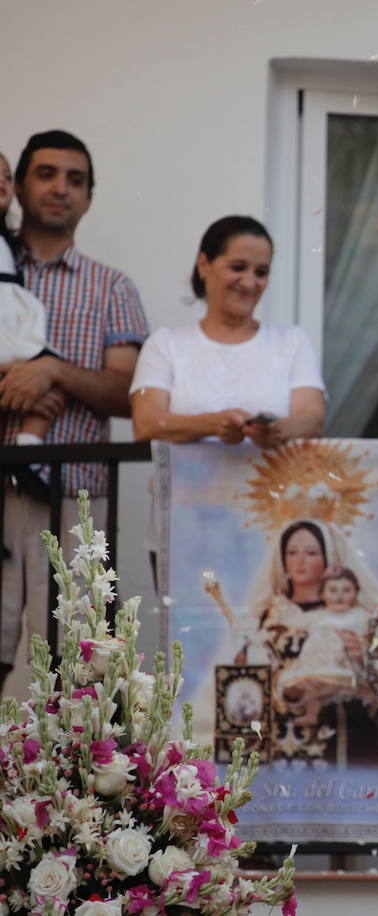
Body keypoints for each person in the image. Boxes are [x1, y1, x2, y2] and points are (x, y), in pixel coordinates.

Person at [0, 130, 149, 699]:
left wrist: (55, 371)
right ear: (18, 186)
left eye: (75, 178)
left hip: (77, 497)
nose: (60, 188)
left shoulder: (112, 287)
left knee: (75, 667)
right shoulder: (0, 270)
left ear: (89, 196)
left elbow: (126, 392)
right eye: (46, 173)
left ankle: (70, 790)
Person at [230, 519, 378, 766]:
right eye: (292, 552)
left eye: (311, 553)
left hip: (345, 734)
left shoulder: (354, 615)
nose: (300, 561)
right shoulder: (269, 615)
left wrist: (367, 653)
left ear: (328, 557)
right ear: (282, 559)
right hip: (278, 739)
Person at [130, 215, 325, 446]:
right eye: (238, 267)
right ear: (203, 265)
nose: (250, 283)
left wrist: (276, 430)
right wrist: (213, 424)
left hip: (272, 483)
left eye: (261, 272)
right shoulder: (164, 344)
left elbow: (313, 420)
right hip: (184, 484)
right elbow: (145, 424)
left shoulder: (292, 341)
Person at [0, 152, 55, 449]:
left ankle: (27, 451)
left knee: (52, 383)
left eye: (7, 177)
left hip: (10, 325)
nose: (2, 182)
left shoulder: (10, 243)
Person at [277, 566, 372, 728]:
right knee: (303, 686)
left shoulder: (359, 616)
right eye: (333, 590)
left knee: (326, 686)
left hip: (342, 666)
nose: (339, 596)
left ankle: (312, 713)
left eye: (346, 590)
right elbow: (295, 621)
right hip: (315, 666)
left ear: (356, 593)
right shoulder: (318, 616)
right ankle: (311, 714)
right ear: (322, 594)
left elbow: (369, 639)